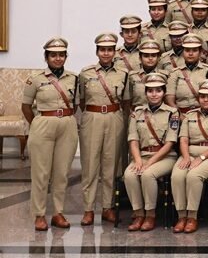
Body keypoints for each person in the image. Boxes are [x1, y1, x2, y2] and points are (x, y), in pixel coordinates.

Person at [24, 38, 79, 231]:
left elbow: (76, 104)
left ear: (66, 56)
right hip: (43, 124)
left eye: (61, 55)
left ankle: (58, 213)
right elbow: (26, 107)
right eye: (53, 55)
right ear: (46, 56)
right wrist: (38, 124)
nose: (57, 58)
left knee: (62, 172)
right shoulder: (36, 78)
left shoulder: (73, 78)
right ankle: (39, 215)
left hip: (67, 125)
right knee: (40, 173)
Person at [78, 32, 131, 226]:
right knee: (90, 164)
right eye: (102, 50)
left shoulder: (123, 74)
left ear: (114, 52)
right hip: (92, 117)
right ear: (97, 51)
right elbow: (81, 100)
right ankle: (88, 209)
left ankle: (107, 207)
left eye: (110, 50)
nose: (106, 54)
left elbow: (126, 101)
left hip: (114, 116)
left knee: (111, 164)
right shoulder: (86, 73)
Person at [171, 80, 208, 233]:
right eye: (202, 96)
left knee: (194, 175)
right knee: (177, 175)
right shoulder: (189, 116)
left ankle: (192, 216)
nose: (205, 99)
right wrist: (185, 157)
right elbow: (183, 139)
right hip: (190, 153)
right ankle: (181, 216)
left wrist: (202, 158)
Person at [122, 73, 179, 232]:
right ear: (145, 93)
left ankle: (150, 215)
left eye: (158, 90)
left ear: (163, 92)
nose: (154, 94)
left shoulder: (172, 113)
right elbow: (133, 140)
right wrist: (138, 160)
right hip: (142, 155)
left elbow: (170, 143)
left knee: (148, 174)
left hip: (165, 157)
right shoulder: (137, 113)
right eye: (150, 91)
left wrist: (149, 163)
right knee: (129, 174)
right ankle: (138, 214)